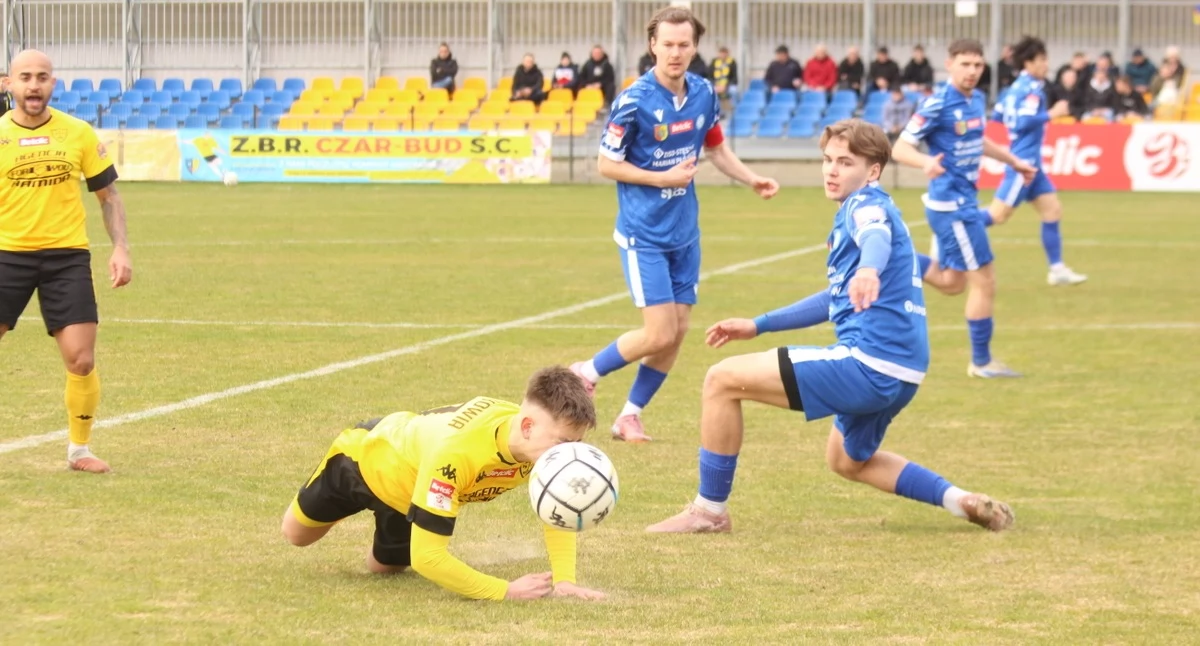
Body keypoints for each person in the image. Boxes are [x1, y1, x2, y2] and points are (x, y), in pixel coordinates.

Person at [646, 119, 1014, 535]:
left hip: (870, 363)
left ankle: (708, 512)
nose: (832, 170)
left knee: (720, 380)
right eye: (827, 160)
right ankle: (961, 501)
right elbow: (833, 298)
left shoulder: (866, 206)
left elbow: (874, 235)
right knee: (846, 460)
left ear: (872, 170)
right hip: (905, 372)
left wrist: (870, 269)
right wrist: (759, 324)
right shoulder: (865, 211)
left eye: (845, 162)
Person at [573, 5, 778, 443]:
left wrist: (751, 179)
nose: (675, 52)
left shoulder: (704, 93)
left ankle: (629, 415)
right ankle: (586, 371)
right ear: (653, 46)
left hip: (685, 233)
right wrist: (659, 177)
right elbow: (606, 164)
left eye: (684, 44)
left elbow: (717, 149)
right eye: (667, 44)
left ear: (695, 47)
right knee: (659, 332)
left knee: (678, 332)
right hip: (643, 233)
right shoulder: (633, 100)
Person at [280, 366, 606, 602]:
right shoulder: (456, 453)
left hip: (410, 494)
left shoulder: (537, 450)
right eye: (563, 443)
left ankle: (390, 527)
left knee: (384, 569)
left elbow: (557, 508)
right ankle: (342, 508)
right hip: (362, 462)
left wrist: (565, 580)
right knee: (296, 536)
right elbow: (429, 559)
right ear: (527, 426)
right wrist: (504, 590)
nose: (568, 456)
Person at [0, 49, 132, 473]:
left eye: (42, 77)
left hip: (66, 259)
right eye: (25, 77)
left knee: (81, 359)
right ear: (10, 83)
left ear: (53, 83)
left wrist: (121, 247)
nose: (33, 85)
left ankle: (79, 450)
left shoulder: (76, 133)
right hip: (7, 256)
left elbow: (108, 195)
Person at [891, 38, 1036, 379]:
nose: (972, 71)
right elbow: (899, 148)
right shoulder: (937, 103)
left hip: (958, 204)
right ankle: (981, 362)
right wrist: (925, 161)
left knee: (952, 282)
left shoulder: (976, 100)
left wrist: (1014, 161)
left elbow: (978, 140)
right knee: (984, 280)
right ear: (949, 65)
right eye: (965, 64)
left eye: (977, 65)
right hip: (953, 207)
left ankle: (896, 258)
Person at [986, 36, 1088, 287]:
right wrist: (1052, 113)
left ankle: (1057, 269)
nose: (1046, 64)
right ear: (1028, 63)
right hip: (1023, 165)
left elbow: (999, 115)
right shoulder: (1031, 89)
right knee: (997, 216)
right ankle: (949, 233)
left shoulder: (1013, 89)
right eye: (1042, 60)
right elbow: (1021, 122)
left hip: (1034, 166)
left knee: (1052, 210)